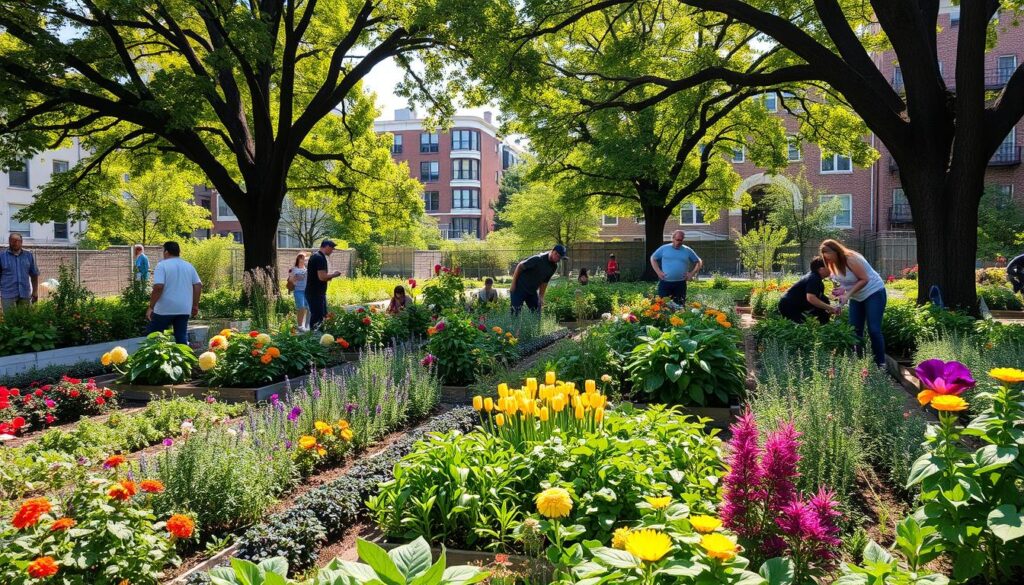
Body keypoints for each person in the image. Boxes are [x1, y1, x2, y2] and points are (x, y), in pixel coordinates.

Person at [820, 239, 887, 367]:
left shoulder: (851, 259)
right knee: (854, 331)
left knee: (874, 329)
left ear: (836, 252)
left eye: (829, 258)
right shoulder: (832, 263)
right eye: (826, 259)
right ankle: (858, 363)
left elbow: (864, 279)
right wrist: (842, 290)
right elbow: (849, 282)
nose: (829, 262)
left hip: (873, 292)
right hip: (857, 296)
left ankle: (881, 364)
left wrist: (847, 295)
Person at [146, 241, 202, 345]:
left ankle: (157, 358)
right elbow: (198, 285)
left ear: (166, 252)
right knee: (181, 338)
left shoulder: (162, 265)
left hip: (164, 309)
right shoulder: (188, 266)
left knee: (153, 337)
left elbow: (158, 287)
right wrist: (195, 305)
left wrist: (151, 307)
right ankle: (184, 360)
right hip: (183, 309)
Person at [777, 256, 839, 324]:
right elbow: (811, 298)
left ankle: (824, 325)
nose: (832, 270)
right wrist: (831, 308)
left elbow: (820, 298)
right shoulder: (814, 278)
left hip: (792, 305)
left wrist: (830, 306)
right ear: (821, 269)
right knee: (801, 328)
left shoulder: (816, 278)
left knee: (809, 323)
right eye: (830, 267)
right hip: (788, 306)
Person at [509, 244, 566, 314]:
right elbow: (520, 266)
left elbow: (545, 282)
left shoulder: (554, 266)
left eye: (560, 258)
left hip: (532, 291)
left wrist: (541, 297)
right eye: (558, 256)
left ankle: (534, 325)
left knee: (537, 313)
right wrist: (513, 284)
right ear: (553, 252)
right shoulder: (538, 259)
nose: (558, 259)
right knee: (515, 313)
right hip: (519, 289)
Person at [650, 230, 702, 305]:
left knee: (680, 307)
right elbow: (653, 258)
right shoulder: (664, 248)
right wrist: (658, 272)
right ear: (673, 238)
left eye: (681, 240)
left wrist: (691, 274)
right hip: (665, 283)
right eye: (677, 240)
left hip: (680, 284)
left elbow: (699, 261)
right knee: (663, 307)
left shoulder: (687, 250)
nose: (679, 242)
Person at [306, 239, 342, 331]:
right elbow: (322, 277)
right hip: (315, 292)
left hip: (317, 292)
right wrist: (335, 274)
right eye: (332, 248)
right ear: (327, 246)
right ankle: (314, 338)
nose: (332, 251)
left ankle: (319, 337)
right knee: (317, 316)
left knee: (322, 315)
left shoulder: (317, 256)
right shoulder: (319, 258)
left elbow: (320, 277)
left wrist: (329, 276)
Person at [0, 233, 39, 312]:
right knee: (10, 321)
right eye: (12, 240)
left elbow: (34, 274)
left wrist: (35, 292)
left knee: (24, 320)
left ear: (21, 242)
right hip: (7, 294)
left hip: (25, 294)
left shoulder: (28, 255)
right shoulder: (2, 256)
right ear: (9, 241)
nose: (15, 243)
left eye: (17, 240)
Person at [288, 253, 309, 331]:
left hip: (307, 291)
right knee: (301, 307)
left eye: (304, 258)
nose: (303, 259)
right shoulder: (294, 269)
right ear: (298, 259)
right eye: (301, 258)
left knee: (309, 308)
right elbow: (290, 280)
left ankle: (307, 325)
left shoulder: (307, 269)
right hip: (298, 291)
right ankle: (300, 326)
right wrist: (295, 278)